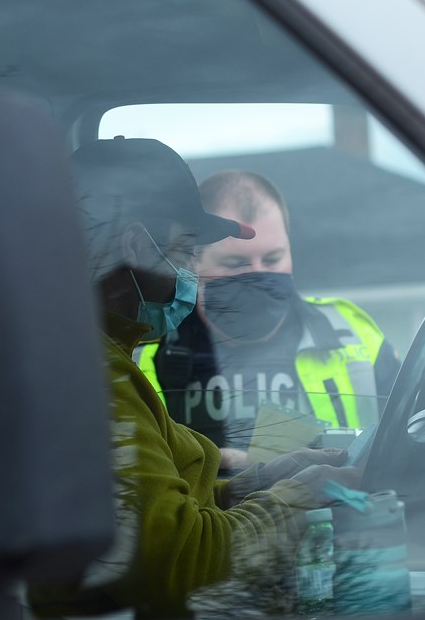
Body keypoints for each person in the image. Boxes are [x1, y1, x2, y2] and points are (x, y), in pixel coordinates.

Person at [28, 138, 358, 619]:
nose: (190, 271)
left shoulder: (102, 357)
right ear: (139, 248)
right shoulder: (88, 380)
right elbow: (176, 561)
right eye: (185, 251)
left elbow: (161, 512)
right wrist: (292, 502)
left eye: (271, 258)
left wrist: (257, 484)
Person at [134, 170, 401, 468]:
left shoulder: (352, 334)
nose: (258, 275)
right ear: (193, 260)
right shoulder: (147, 353)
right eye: (236, 263)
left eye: (272, 259)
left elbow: (407, 444)